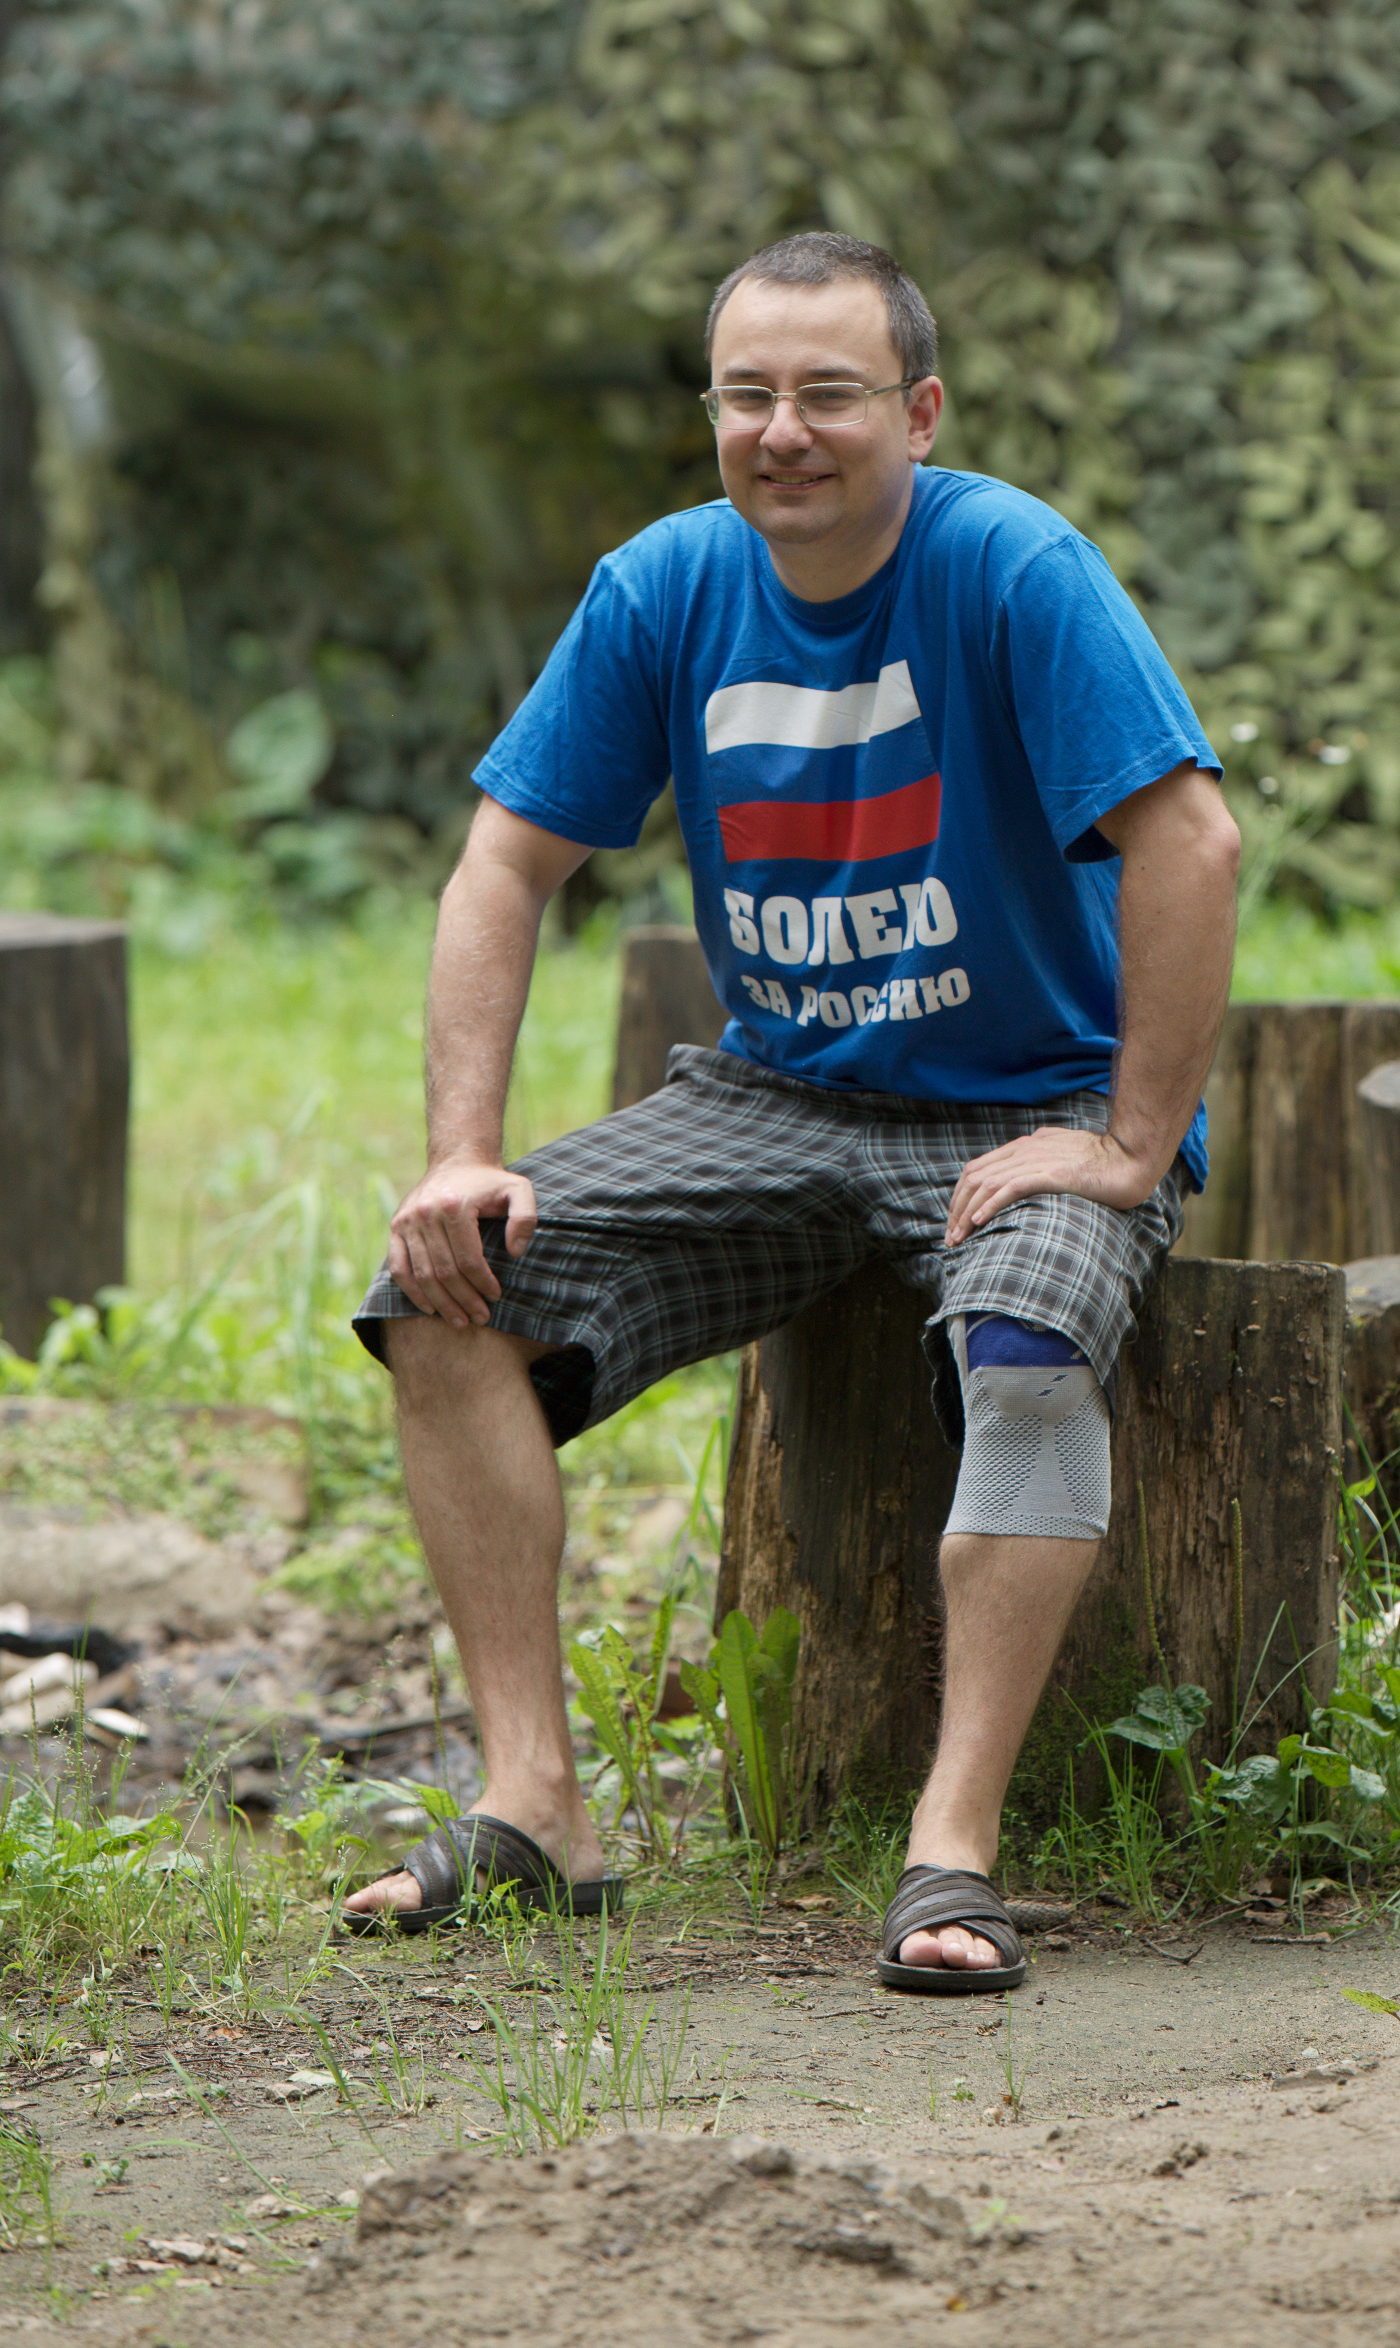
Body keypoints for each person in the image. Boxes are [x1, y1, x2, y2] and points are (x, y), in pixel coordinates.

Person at [342, 231, 1240, 1989]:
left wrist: (1133, 1144)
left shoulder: (1012, 565)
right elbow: (501, 868)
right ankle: (534, 1809)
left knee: (1031, 1349)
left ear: (919, 411)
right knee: (441, 1297)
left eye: (830, 393)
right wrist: (462, 1155)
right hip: (781, 1093)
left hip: (1028, 1099)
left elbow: (1192, 839)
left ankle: (949, 1848)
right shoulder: (666, 586)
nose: (784, 432)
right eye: (748, 395)